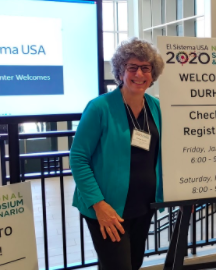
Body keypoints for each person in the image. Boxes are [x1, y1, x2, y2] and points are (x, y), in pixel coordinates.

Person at [70, 37, 165, 270]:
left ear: (153, 74)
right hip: (107, 208)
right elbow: (78, 158)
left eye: (146, 68)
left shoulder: (156, 107)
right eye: (132, 67)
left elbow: (166, 154)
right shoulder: (99, 107)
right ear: (121, 71)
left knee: (133, 264)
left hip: (143, 206)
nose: (139, 74)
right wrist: (98, 205)